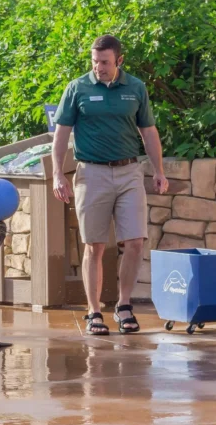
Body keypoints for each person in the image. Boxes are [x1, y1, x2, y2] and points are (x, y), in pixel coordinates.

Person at [51, 35, 168, 335]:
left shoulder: (136, 88)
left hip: (129, 172)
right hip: (92, 174)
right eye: (95, 61)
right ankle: (94, 312)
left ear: (119, 60)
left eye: (104, 62)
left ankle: (124, 305)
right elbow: (61, 134)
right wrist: (57, 174)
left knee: (135, 242)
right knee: (94, 246)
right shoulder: (77, 88)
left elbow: (149, 131)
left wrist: (159, 170)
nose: (98, 67)